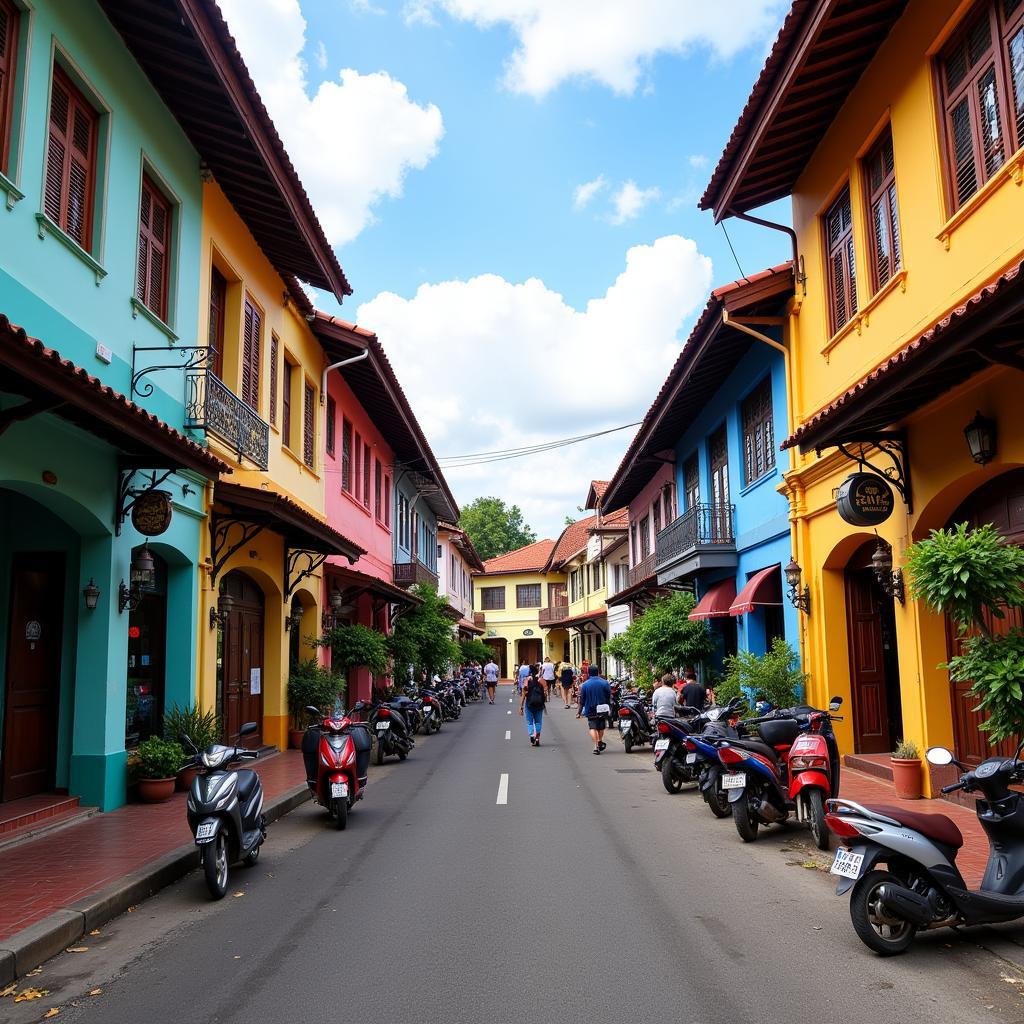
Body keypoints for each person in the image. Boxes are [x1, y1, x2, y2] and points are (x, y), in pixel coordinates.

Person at [577, 665, 612, 755]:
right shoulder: (605, 683)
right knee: (601, 727)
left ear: (589, 673)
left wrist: (579, 712)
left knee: (593, 727)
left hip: (590, 708)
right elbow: (609, 696)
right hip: (602, 708)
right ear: (598, 672)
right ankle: (600, 740)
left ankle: (596, 746)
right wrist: (608, 706)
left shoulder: (585, 685)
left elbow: (582, 700)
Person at [520, 664, 547, 746]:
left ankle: (532, 735)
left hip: (529, 704)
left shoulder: (526, 680)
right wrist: (543, 701)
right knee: (538, 722)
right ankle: (537, 738)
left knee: (530, 722)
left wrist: (521, 706)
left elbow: (524, 694)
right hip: (539, 705)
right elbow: (545, 693)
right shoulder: (542, 680)